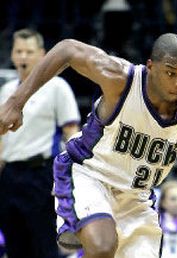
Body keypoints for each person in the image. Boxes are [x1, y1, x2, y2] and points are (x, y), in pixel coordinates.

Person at [0, 33, 177, 258]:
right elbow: (68, 49)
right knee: (103, 246)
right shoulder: (121, 79)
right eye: (170, 73)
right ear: (151, 67)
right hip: (91, 174)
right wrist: (15, 103)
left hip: (136, 197)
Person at [0, 29, 80, 258]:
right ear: (13, 55)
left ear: (43, 55)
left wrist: (68, 180)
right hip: (9, 177)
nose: (23, 57)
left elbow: (71, 133)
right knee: (14, 248)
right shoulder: (6, 90)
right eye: (19, 51)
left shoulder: (57, 87)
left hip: (41, 175)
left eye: (29, 51)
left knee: (43, 247)